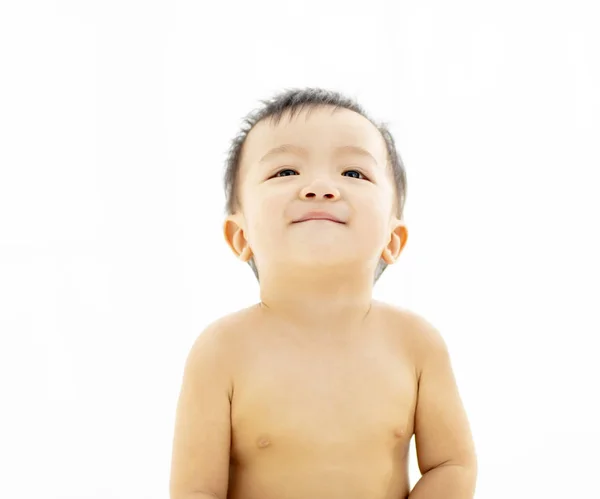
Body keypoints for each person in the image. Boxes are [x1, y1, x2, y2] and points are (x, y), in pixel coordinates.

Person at [169, 88, 478, 499]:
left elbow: (452, 464)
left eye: (353, 173)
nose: (318, 187)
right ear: (240, 235)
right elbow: (195, 491)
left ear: (393, 238)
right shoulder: (221, 351)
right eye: (285, 172)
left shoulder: (416, 344)